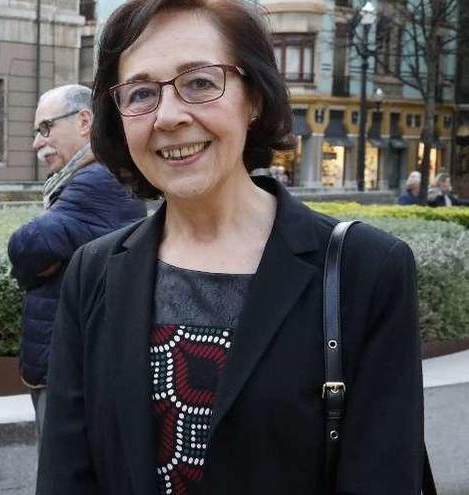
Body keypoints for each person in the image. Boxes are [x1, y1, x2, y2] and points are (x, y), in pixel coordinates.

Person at [37, 1, 425, 494]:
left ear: (254, 98)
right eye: (141, 93)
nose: (169, 116)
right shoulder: (94, 272)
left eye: (200, 82)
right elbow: (66, 477)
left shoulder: (366, 271)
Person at [8, 84, 147, 438]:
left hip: (68, 371)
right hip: (67, 364)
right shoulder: (90, 175)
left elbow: (25, 247)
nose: (37, 143)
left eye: (45, 128)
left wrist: (30, 274)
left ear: (85, 120)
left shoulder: (99, 179)